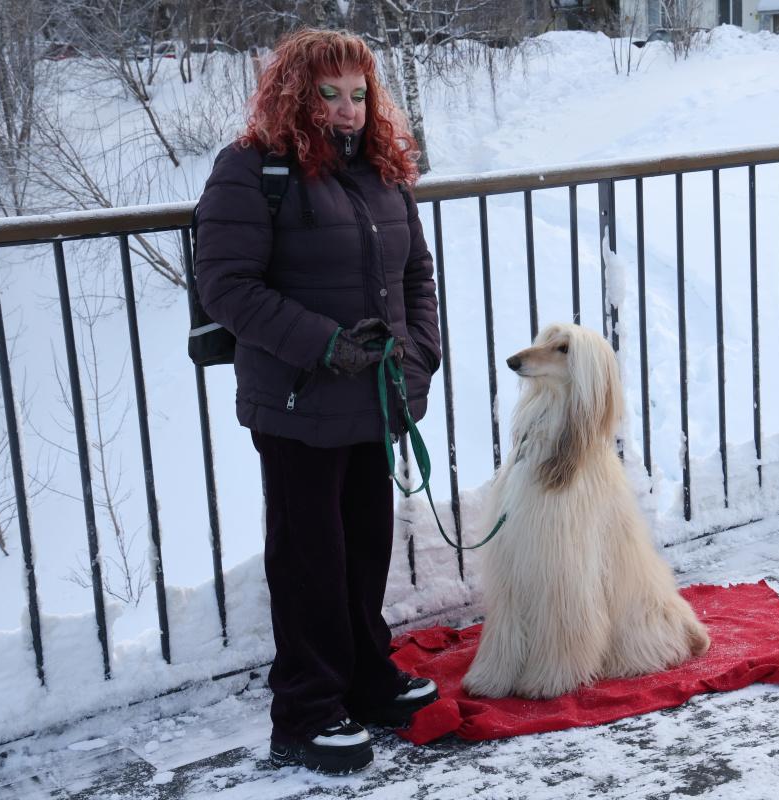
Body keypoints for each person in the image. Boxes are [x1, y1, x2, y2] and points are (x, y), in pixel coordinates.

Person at [194, 28, 442, 775]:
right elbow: (229, 287)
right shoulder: (249, 171)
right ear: (294, 96)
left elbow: (416, 278)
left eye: (359, 95)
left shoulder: (382, 169)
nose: (347, 111)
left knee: (365, 545)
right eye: (329, 94)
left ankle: (366, 679)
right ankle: (305, 710)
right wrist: (325, 345)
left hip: (373, 395)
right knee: (309, 558)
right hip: (299, 400)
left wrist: (420, 355)